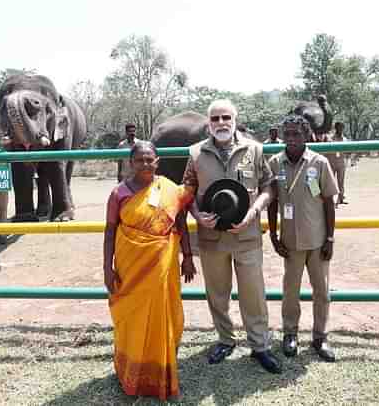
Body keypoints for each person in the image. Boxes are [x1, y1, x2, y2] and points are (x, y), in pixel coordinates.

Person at [181, 99, 282, 374]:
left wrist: (253, 213)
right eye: (215, 119)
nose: (221, 123)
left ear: (235, 119)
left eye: (226, 117)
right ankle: (225, 340)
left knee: (254, 293)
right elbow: (187, 191)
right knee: (217, 293)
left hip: (247, 235)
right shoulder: (195, 153)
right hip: (211, 237)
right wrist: (197, 216)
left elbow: (268, 187)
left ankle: (259, 345)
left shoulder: (255, 149)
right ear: (208, 123)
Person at [103, 141, 196, 401]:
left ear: (157, 162)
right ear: (131, 163)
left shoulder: (169, 189)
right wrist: (107, 268)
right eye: (139, 160)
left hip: (163, 265)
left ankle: (161, 371)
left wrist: (187, 256)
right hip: (129, 267)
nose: (145, 164)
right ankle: (130, 373)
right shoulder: (119, 193)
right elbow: (110, 231)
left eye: (149, 159)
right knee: (131, 318)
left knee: (164, 314)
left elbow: (181, 223)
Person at [267, 115, 339, 363]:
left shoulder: (319, 162)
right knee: (290, 291)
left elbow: (329, 201)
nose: (291, 138)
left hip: (318, 242)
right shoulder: (275, 163)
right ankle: (290, 333)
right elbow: (273, 202)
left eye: (297, 133)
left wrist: (330, 238)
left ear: (306, 135)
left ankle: (320, 336)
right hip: (290, 243)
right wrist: (274, 236)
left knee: (322, 292)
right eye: (287, 133)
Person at [328, 121, 351, 206]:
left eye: (342, 128)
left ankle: (341, 198)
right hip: (332, 162)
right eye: (339, 128)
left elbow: (348, 151)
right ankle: (330, 199)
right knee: (330, 181)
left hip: (341, 162)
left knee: (341, 181)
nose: (341, 129)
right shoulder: (330, 139)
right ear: (336, 128)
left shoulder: (345, 139)